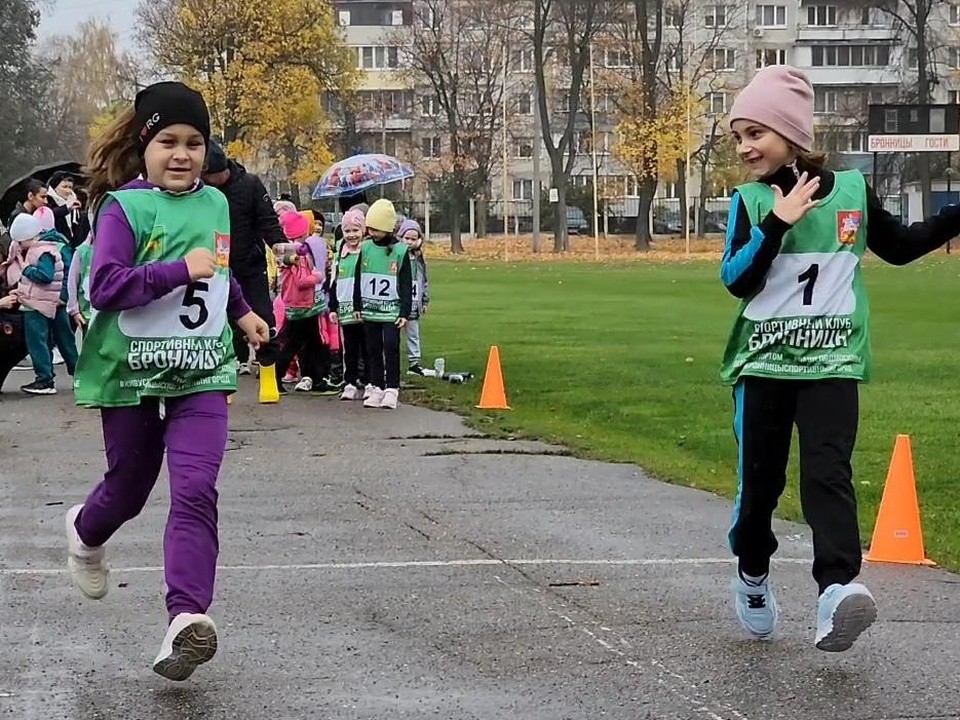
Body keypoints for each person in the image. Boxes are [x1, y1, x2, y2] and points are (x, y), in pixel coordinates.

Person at [720, 65, 960, 653]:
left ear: (791, 132)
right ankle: (753, 573)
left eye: (756, 133)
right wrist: (777, 224)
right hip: (764, 367)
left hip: (832, 364)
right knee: (760, 491)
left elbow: (901, 247)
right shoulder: (750, 202)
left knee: (828, 476)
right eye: (738, 137)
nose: (746, 147)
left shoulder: (852, 191)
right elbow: (736, 279)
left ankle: (835, 592)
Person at [67, 81, 269, 681]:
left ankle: (186, 620)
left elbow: (219, 270)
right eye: (168, 142)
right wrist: (176, 271)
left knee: (195, 490)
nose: (182, 155)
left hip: (201, 371)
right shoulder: (123, 209)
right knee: (130, 487)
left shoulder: (214, 204)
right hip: (129, 372)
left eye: (194, 143)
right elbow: (103, 287)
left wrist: (241, 312)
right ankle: (84, 531)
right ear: (145, 146)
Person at [202, 141, 283, 381]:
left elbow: (268, 221)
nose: (208, 182)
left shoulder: (250, 185)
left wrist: (281, 246)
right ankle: (221, 376)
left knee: (264, 320)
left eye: (210, 176)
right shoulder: (202, 191)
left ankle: (270, 377)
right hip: (216, 267)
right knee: (217, 323)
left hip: (250, 264)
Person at [4, 213, 78, 395]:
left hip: (37, 303)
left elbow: (44, 277)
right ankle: (79, 374)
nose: (18, 246)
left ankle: (44, 379)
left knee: (37, 342)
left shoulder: (39, 252)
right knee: (65, 339)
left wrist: (26, 269)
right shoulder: (52, 247)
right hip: (54, 300)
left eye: (20, 242)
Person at [352, 199, 411, 410]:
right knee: (373, 349)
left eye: (377, 229)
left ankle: (392, 388)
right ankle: (376, 385)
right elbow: (359, 277)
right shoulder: (365, 248)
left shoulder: (400, 251)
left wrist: (405, 311)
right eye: (370, 228)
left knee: (391, 347)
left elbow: (405, 283)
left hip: (391, 311)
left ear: (387, 228)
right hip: (370, 310)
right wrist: (356, 305)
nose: (372, 233)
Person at [273, 212, 332, 394]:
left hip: (302, 304)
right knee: (295, 342)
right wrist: (317, 276)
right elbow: (301, 281)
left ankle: (317, 378)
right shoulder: (297, 253)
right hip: (301, 305)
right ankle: (277, 376)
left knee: (312, 341)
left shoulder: (289, 251)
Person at [329, 208, 367, 400]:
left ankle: (368, 381)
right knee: (349, 348)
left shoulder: (367, 251)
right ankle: (350, 381)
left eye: (355, 230)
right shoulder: (339, 252)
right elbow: (334, 281)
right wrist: (333, 307)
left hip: (364, 308)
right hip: (344, 307)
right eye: (347, 231)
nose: (351, 235)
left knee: (367, 346)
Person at [397, 219, 429, 375]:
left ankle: (414, 362)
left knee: (413, 333)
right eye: (406, 238)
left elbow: (424, 281)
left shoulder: (419, 259)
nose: (409, 242)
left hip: (414, 303)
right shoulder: (396, 255)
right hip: (398, 303)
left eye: (413, 239)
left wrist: (424, 300)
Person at [47, 172, 86, 247]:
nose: (68, 191)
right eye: (64, 187)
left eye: (70, 187)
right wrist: (66, 209)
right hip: (57, 245)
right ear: (54, 187)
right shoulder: (47, 200)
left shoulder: (75, 201)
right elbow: (48, 215)